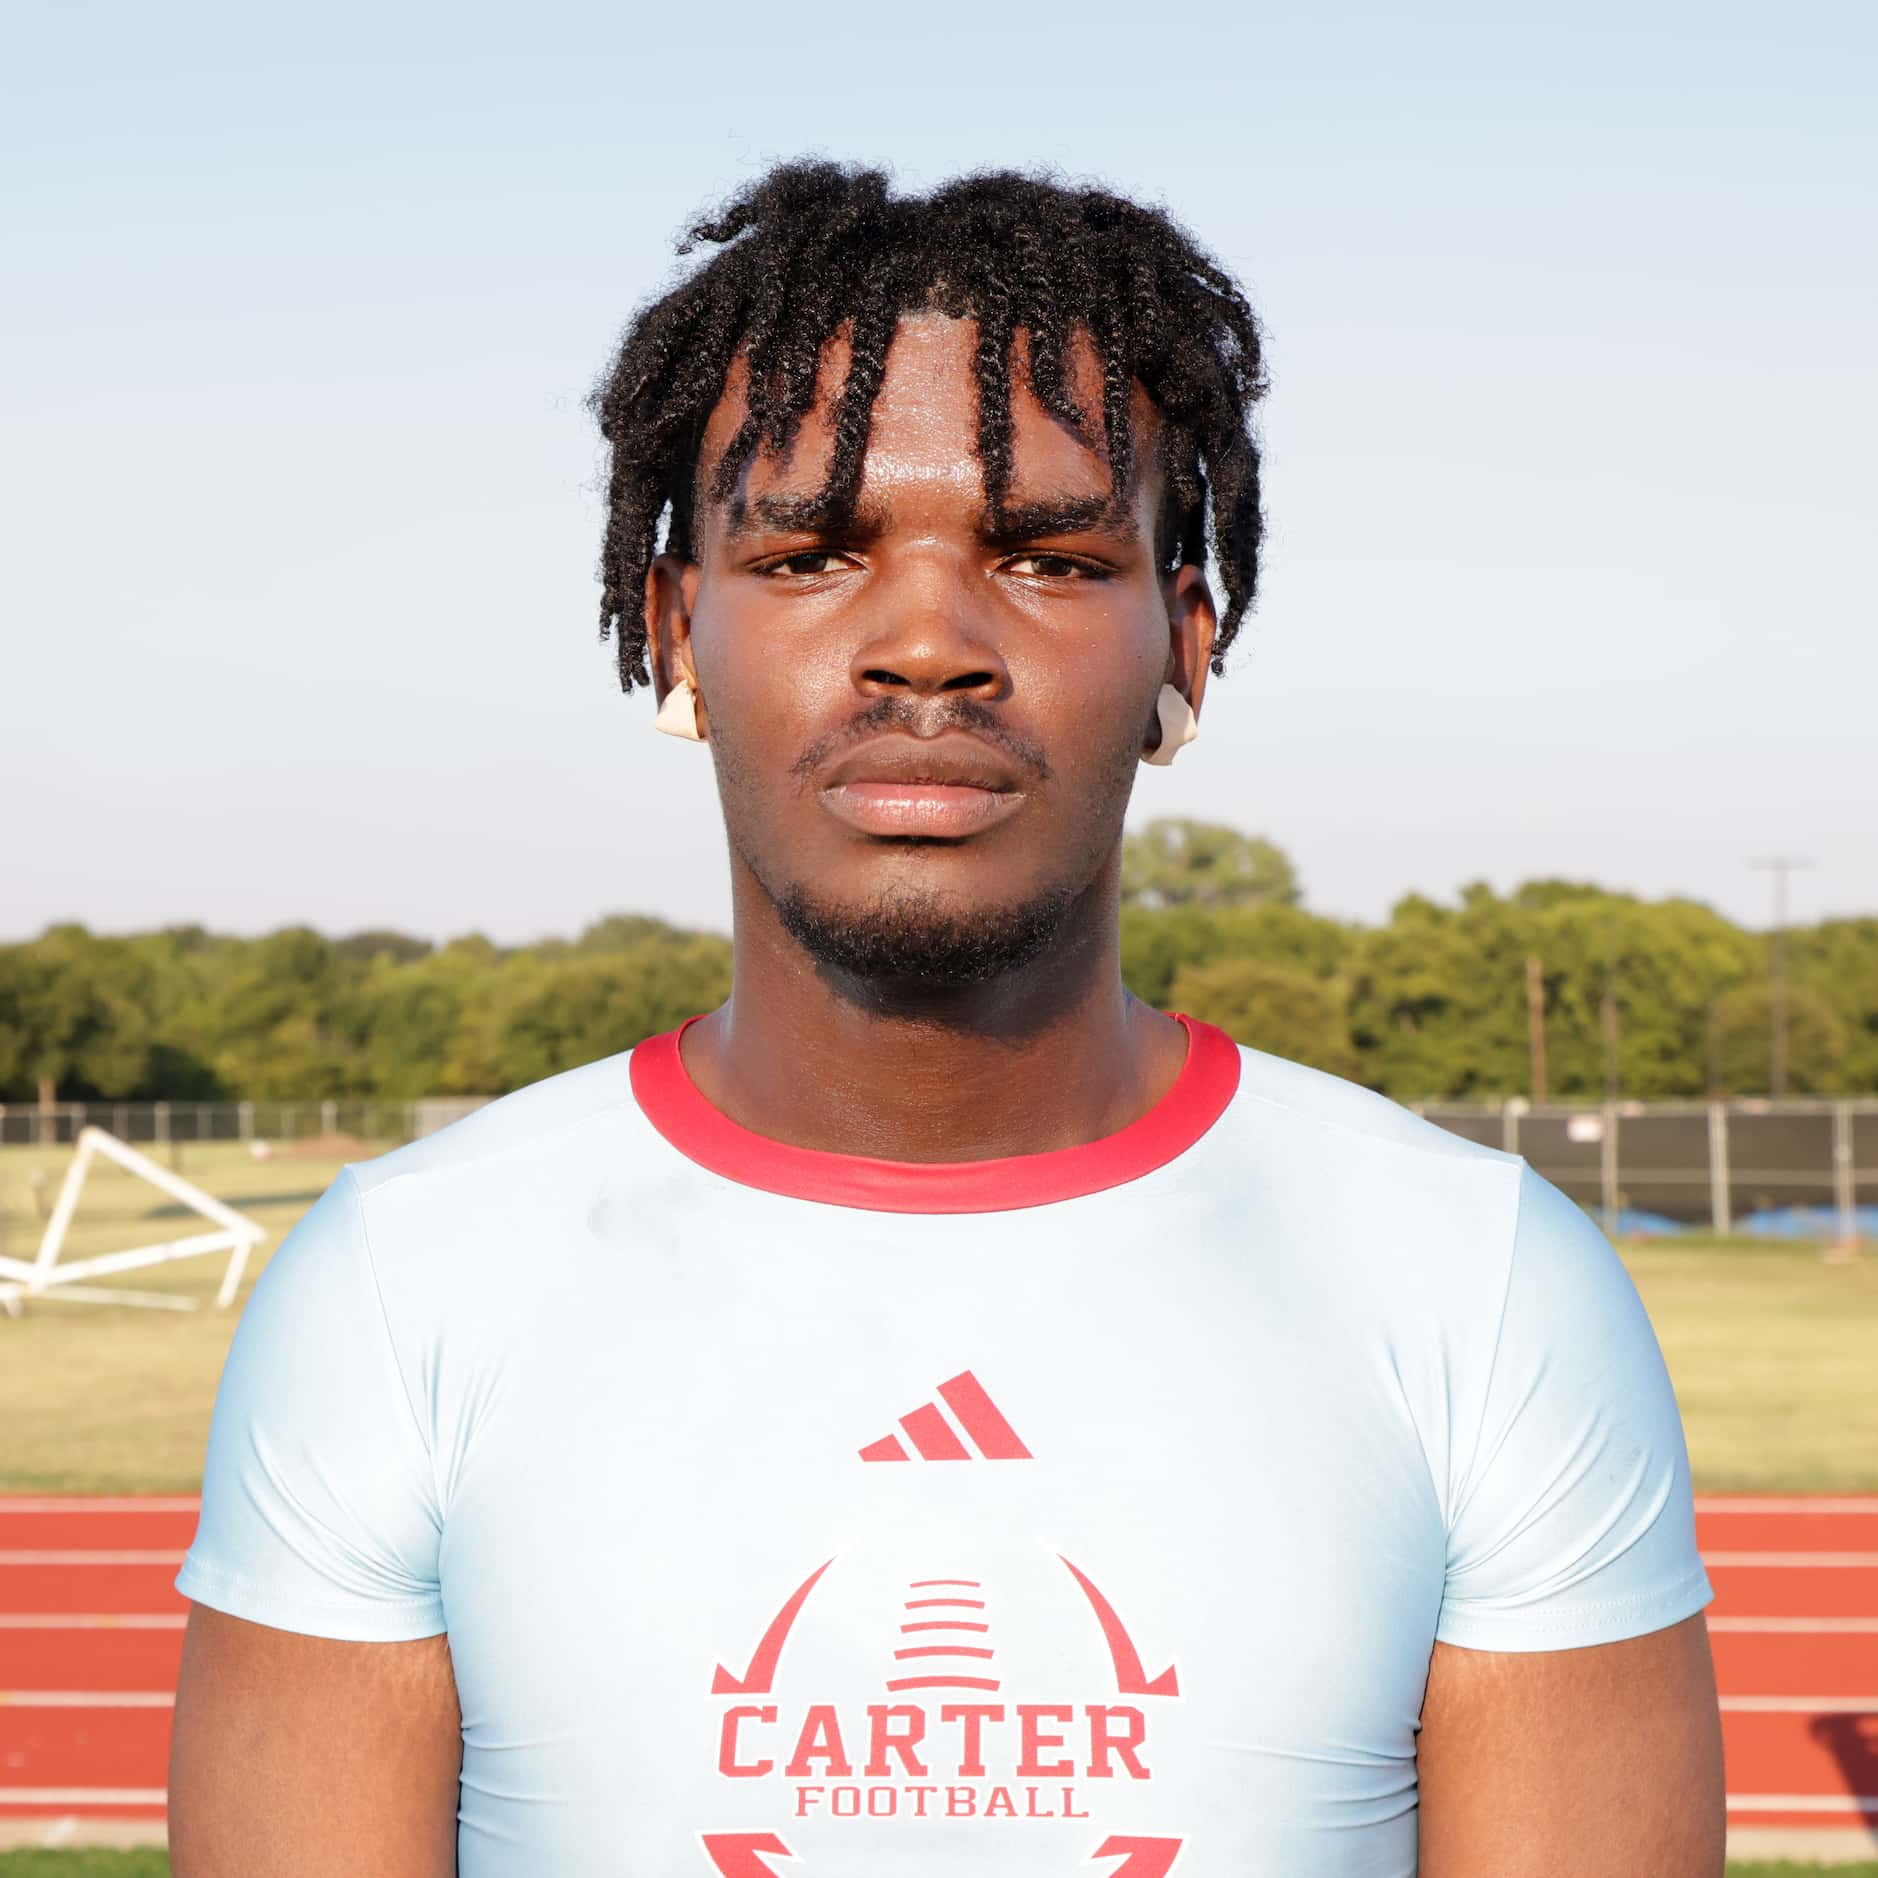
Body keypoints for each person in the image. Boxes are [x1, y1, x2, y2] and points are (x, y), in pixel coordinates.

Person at [168, 161, 1723, 1877]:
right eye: (814, 552)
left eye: (1049, 559)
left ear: (1181, 656)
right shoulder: (406, 1281)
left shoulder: (1479, 1280)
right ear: (679, 631)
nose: (927, 644)